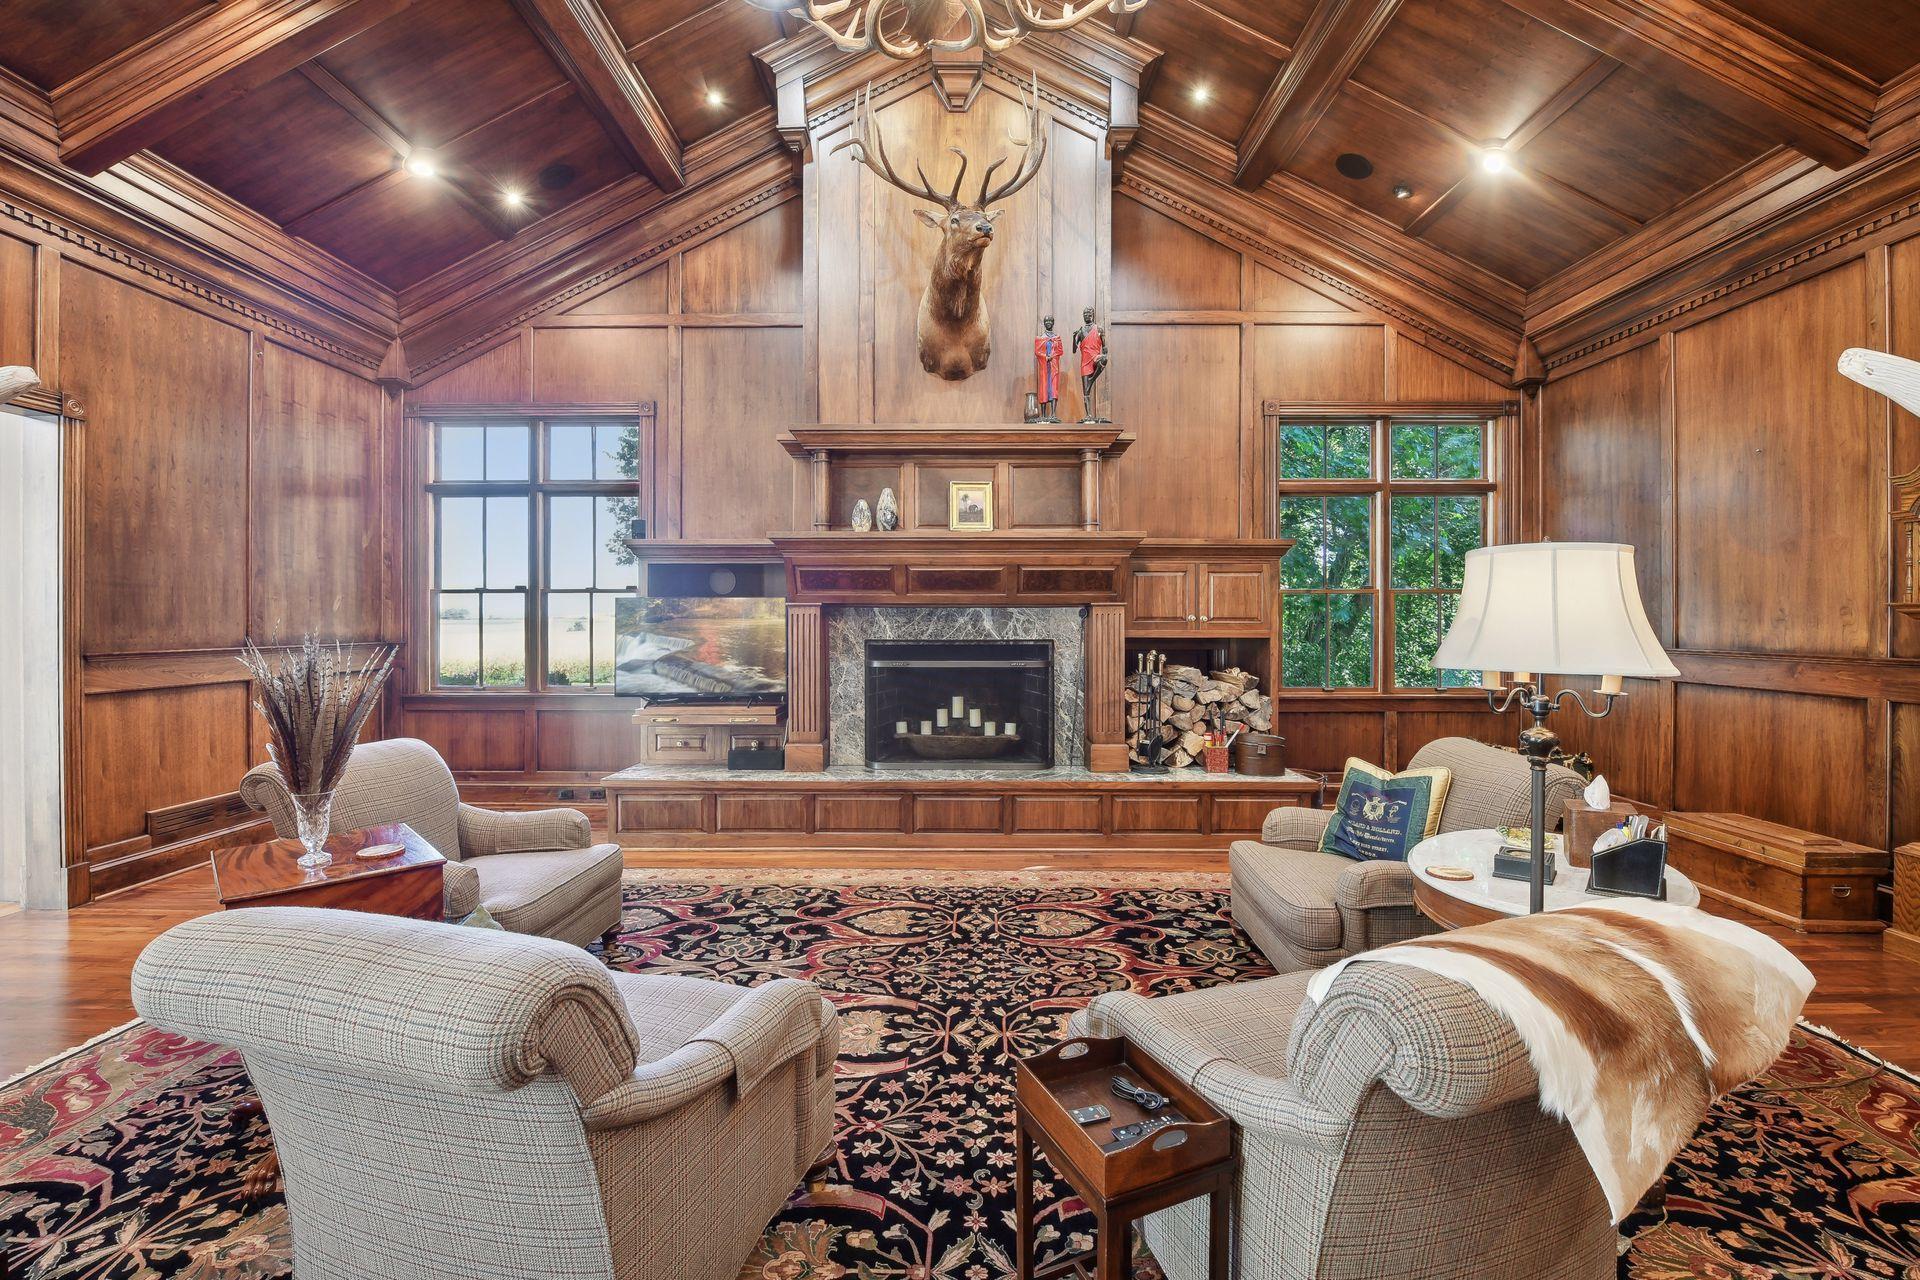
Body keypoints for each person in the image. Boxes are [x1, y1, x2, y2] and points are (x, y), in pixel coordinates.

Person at [1071, 305, 1109, 423]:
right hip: (1085, 362)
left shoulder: (1099, 329)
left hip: (1095, 358)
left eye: (1089, 314)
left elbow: (1105, 348)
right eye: (1085, 314)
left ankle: (1092, 379)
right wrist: (1074, 338)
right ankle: (1088, 415)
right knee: (1086, 392)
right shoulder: (1080, 331)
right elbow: (1074, 350)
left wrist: (1104, 353)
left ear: (1093, 315)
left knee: (1104, 359)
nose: (1087, 316)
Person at [1032, 315, 1063, 423]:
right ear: (1044, 323)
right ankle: (1044, 415)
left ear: (1053, 323)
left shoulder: (1057, 338)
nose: (1048, 322)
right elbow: (1037, 352)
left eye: (1050, 321)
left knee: (1053, 388)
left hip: (1054, 366)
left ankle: (1053, 414)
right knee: (1044, 388)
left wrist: (1052, 356)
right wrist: (1045, 357)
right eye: (1046, 321)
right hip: (1044, 367)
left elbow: (1060, 351)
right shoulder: (1040, 338)